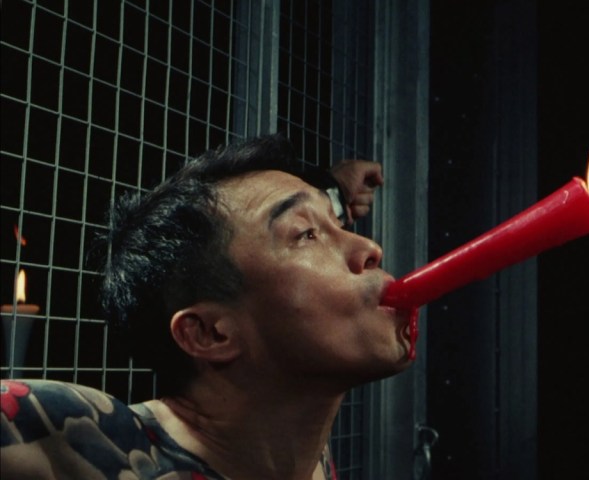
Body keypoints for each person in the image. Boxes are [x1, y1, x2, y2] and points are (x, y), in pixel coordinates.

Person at [1, 134, 410, 479]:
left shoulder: (296, 443)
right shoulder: (77, 441)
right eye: (305, 233)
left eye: (335, 223)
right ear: (209, 332)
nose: (370, 248)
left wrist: (332, 191)